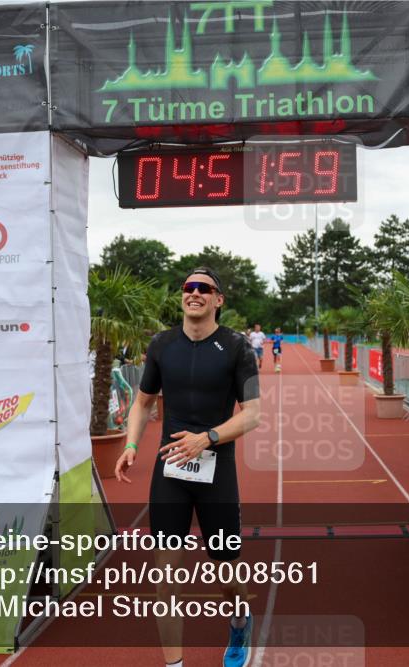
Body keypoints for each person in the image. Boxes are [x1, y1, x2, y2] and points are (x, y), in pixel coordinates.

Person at [114, 267, 261, 667]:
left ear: (218, 300)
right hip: (170, 471)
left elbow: (252, 415)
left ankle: (240, 619)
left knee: (225, 571)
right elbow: (143, 402)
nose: (193, 293)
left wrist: (207, 437)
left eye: (204, 288)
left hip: (217, 469)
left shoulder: (238, 348)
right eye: (188, 287)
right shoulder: (162, 345)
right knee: (165, 577)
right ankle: (174, 664)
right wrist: (131, 444)